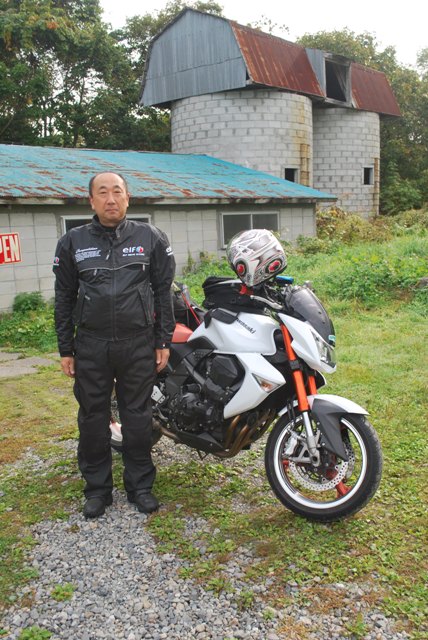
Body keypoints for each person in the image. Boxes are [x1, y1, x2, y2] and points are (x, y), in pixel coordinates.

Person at [53, 172, 176, 518]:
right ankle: (97, 490)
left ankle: (140, 487)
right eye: (103, 193)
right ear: (91, 201)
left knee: (137, 418)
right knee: (93, 419)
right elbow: (64, 297)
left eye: (117, 192)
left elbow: (163, 292)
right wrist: (66, 348)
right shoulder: (72, 242)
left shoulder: (150, 238)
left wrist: (162, 339)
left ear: (127, 197)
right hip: (91, 345)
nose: (111, 199)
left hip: (138, 343)